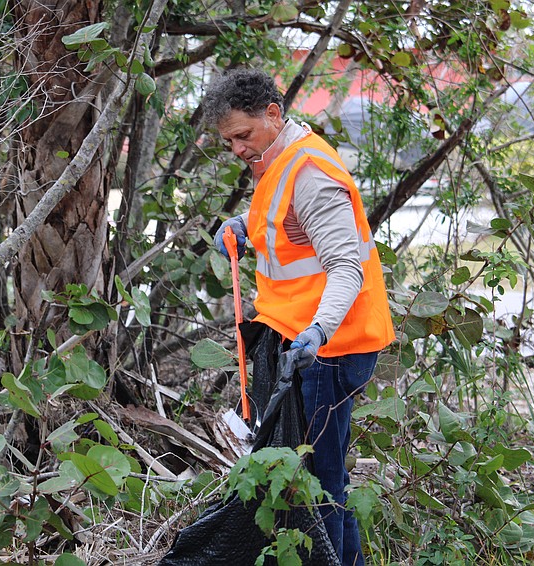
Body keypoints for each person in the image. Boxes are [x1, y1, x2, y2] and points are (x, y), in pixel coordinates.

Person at [204, 68, 395, 566]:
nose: (238, 150)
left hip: (329, 348)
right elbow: (285, 227)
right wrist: (244, 227)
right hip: (301, 340)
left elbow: (344, 268)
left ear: (273, 114)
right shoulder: (280, 159)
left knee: (320, 481)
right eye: (228, 143)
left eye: (242, 136)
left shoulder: (310, 172)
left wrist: (317, 333)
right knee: (314, 475)